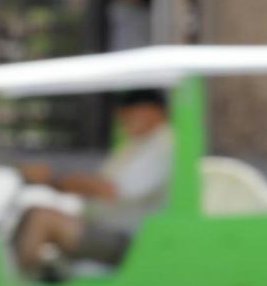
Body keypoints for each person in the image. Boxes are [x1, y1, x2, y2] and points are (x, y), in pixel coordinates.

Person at [11, 88, 174, 275]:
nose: (122, 117)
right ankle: (20, 280)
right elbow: (98, 182)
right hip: (102, 226)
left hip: (126, 240)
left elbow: (109, 189)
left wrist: (52, 178)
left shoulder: (164, 146)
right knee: (32, 211)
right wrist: (53, 182)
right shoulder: (136, 144)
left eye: (129, 111)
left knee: (41, 218)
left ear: (153, 111)